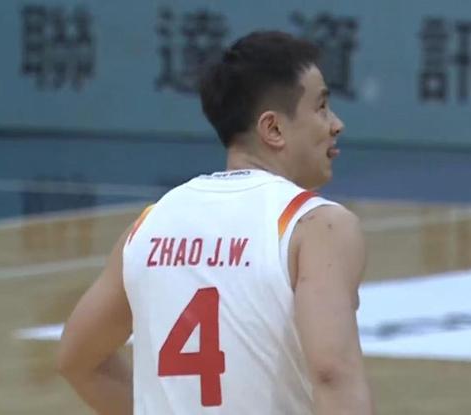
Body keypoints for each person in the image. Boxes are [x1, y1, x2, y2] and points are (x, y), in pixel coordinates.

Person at [57, 30, 374, 415]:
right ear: (273, 129)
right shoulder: (317, 226)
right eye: (321, 107)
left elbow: (78, 360)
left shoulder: (148, 226)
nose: (336, 124)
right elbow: (332, 373)